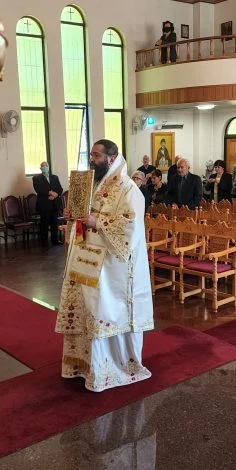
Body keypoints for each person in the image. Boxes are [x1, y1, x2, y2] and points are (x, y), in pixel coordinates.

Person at [57, 138, 153, 392]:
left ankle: (112, 368)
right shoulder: (92, 184)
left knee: (103, 312)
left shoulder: (128, 188)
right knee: (89, 310)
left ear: (111, 158)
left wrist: (95, 222)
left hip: (113, 271)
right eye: (91, 155)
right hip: (87, 262)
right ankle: (84, 365)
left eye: (97, 156)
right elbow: (82, 220)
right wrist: (73, 217)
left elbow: (130, 226)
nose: (92, 160)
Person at [32, 161, 64, 246]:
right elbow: (38, 189)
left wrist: (55, 195)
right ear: (40, 168)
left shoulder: (55, 177)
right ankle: (44, 241)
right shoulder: (36, 178)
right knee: (44, 223)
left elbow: (60, 189)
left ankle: (55, 240)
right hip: (44, 205)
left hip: (55, 204)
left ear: (49, 167)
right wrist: (50, 192)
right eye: (43, 166)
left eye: (46, 165)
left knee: (54, 223)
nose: (45, 167)